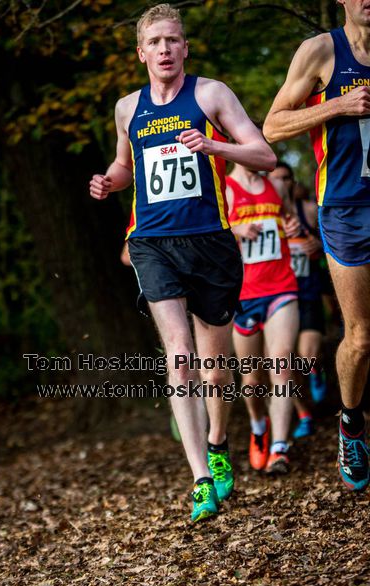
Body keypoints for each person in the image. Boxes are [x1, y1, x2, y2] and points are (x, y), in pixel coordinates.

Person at [89, 3, 276, 521]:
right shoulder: (128, 108)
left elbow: (265, 155)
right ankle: (199, 477)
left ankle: (217, 443)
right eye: (155, 42)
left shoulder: (211, 94)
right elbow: (126, 166)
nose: (165, 49)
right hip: (152, 241)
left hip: (210, 242)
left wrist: (213, 145)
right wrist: (109, 181)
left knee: (215, 373)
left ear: (185, 47)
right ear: (141, 53)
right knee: (179, 354)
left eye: (173, 40)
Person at [263, 0, 370, 491]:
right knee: (361, 337)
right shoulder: (322, 51)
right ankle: (350, 423)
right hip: (347, 208)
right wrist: (339, 105)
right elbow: (273, 125)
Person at [226, 163, 300, 474]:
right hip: (243, 295)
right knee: (252, 379)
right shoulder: (226, 188)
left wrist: (293, 227)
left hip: (281, 287)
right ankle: (259, 426)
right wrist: (235, 230)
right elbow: (210, 232)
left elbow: (289, 220)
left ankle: (280, 449)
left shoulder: (277, 186)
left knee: (281, 363)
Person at [269, 162, 327, 440]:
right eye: (276, 178)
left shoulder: (308, 211)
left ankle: (317, 370)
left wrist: (319, 245)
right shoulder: (265, 215)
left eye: (286, 178)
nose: (282, 183)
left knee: (306, 357)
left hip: (307, 292)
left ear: (292, 181)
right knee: (283, 364)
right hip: (278, 296)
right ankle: (304, 413)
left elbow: (332, 241)